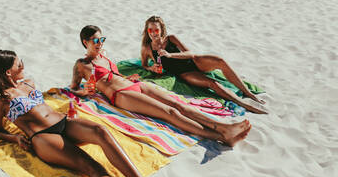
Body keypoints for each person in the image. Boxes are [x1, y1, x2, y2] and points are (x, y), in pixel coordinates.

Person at [0, 50, 174, 177]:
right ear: (8, 72)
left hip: (63, 122)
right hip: (43, 137)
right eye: (19, 65)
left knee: (101, 132)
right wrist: (16, 138)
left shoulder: (28, 82)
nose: (23, 66)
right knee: (91, 166)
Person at [70, 25, 252, 147]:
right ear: (85, 42)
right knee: (170, 113)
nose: (100, 44)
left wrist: (130, 77)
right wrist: (84, 91)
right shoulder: (82, 64)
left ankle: (220, 125)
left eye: (102, 39)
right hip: (121, 94)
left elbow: (114, 75)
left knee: (180, 105)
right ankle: (221, 136)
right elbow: (74, 88)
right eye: (95, 41)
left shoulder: (105, 56)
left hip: (133, 84)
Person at [140, 15, 267, 114]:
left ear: (162, 30)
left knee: (220, 61)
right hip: (184, 72)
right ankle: (244, 104)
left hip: (194, 61)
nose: (153, 33)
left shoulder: (171, 38)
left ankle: (248, 93)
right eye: (150, 30)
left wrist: (170, 55)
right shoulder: (147, 48)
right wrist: (151, 67)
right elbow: (144, 65)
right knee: (212, 83)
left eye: (156, 30)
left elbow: (189, 53)